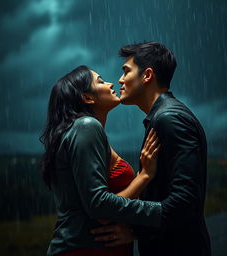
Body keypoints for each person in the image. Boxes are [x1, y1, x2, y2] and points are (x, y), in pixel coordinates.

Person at [92, 42, 211, 256]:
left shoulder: (170, 119)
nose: (120, 80)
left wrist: (135, 227)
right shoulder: (162, 117)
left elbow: (186, 202)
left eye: (126, 71)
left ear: (147, 75)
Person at [39, 65, 163, 256]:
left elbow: (100, 206)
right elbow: (99, 206)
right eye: (100, 81)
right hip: (85, 249)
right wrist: (161, 210)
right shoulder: (87, 127)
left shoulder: (84, 131)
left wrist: (135, 230)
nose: (111, 83)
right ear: (88, 98)